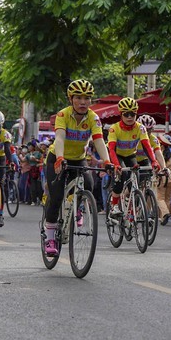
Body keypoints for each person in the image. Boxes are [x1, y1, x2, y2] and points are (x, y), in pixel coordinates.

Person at [43, 79, 111, 255]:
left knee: (88, 184)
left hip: (79, 159)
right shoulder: (63, 115)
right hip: (57, 158)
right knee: (56, 197)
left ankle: (78, 208)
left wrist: (107, 161)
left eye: (87, 98)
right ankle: (50, 238)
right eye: (78, 98)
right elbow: (59, 138)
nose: (83, 102)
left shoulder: (93, 118)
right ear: (70, 99)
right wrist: (59, 158)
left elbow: (98, 140)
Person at [107, 97, 161, 217]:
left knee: (135, 179)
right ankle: (114, 205)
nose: (130, 117)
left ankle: (131, 204)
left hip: (130, 155)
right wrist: (116, 164)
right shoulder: (114, 128)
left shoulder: (140, 128)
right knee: (122, 176)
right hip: (117, 155)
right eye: (126, 114)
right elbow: (111, 149)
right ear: (121, 114)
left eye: (133, 114)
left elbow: (147, 146)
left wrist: (154, 161)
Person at [156, 134, 171, 226]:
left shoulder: (159, 154)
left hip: (162, 177)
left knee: (160, 198)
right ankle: (162, 218)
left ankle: (165, 213)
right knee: (167, 198)